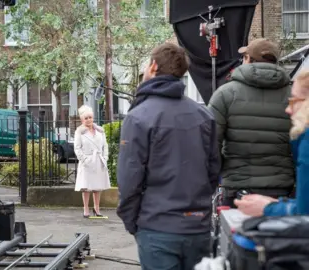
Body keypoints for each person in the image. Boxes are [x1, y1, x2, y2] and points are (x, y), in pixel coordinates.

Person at [116, 42, 220, 270]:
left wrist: (133, 222)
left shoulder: (138, 117)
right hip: (197, 226)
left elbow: (128, 180)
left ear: (153, 67)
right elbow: (214, 172)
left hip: (158, 227)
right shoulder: (204, 116)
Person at [208, 38, 295, 208]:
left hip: (237, 190)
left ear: (249, 60)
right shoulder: (294, 97)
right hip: (281, 192)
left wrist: (221, 173)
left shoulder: (225, 94)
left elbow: (209, 145)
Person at [235, 69, 309, 217]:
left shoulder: (306, 139)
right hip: (284, 185)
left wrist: (268, 208)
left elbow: (304, 214)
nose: (288, 109)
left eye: (294, 100)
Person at [74, 105, 111, 218]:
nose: (89, 120)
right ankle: (86, 209)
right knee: (86, 187)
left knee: (97, 187)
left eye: (90, 117)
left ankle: (97, 208)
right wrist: (85, 159)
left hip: (99, 160)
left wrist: (105, 157)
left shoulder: (100, 130)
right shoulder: (79, 132)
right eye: (86, 118)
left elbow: (105, 145)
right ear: (82, 120)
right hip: (87, 161)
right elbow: (77, 148)